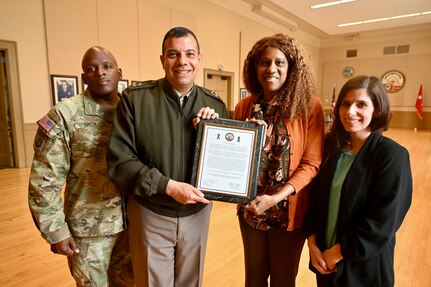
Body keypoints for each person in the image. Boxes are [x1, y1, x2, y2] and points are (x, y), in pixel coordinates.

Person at [107, 26, 228, 287]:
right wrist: (168, 186)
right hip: (151, 212)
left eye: (189, 54)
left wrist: (211, 133)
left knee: (190, 282)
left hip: (197, 214)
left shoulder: (215, 106)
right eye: (173, 54)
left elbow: (224, 165)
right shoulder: (135, 101)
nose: (182, 61)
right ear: (162, 60)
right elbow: (120, 161)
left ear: (199, 59)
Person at [28, 46, 134, 287]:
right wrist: (56, 231)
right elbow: (45, 181)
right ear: (83, 77)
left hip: (134, 226)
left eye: (107, 67)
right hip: (90, 231)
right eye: (91, 69)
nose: (100, 73)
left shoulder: (133, 112)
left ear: (119, 72)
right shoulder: (65, 115)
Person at [234, 34, 325, 286]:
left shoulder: (308, 106)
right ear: (255, 67)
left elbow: (311, 164)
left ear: (291, 68)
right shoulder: (244, 106)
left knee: (283, 280)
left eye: (279, 63)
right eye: (264, 62)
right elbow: (235, 158)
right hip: (251, 210)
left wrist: (275, 198)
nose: (271, 69)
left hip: (287, 213)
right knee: (254, 278)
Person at [304, 75, 412, 287]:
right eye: (345, 104)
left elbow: (383, 220)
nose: (350, 111)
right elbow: (315, 201)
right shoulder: (331, 149)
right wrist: (313, 243)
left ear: (377, 110)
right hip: (324, 261)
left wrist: (337, 253)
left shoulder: (392, 155)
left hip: (363, 266)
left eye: (361, 104)